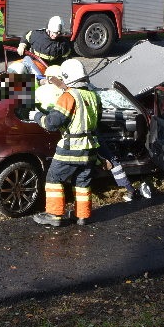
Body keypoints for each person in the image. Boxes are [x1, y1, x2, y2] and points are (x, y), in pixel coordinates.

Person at [29, 59, 101, 226]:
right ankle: (82, 216)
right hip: (90, 149)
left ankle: (54, 215)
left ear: (67, 76)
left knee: (54, 178)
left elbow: (51, 123)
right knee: (82, 182)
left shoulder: (68, 96)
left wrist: (36, 116)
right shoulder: (94, 96)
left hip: (71, 148)